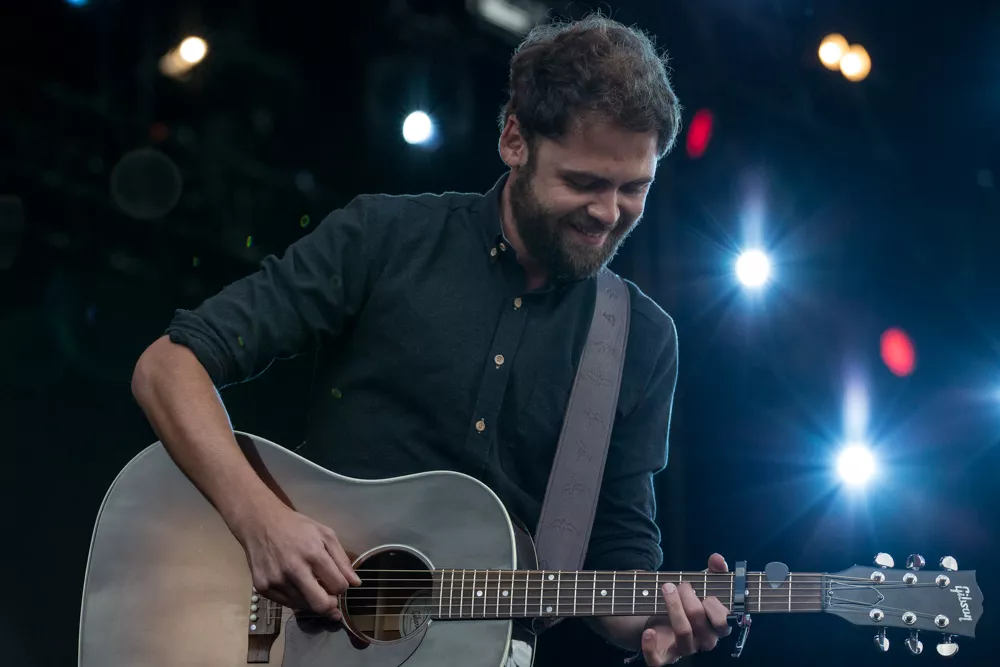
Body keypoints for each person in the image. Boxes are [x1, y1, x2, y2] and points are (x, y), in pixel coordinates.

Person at [131, 13, 731, 667]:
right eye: (584, 182)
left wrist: (661, 625)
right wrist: (260, 521)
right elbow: (169, 367)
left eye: (633, 188)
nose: (608, 212)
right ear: (514, 140)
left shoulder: (642, 340)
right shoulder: (384, 237)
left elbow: (618, 570)